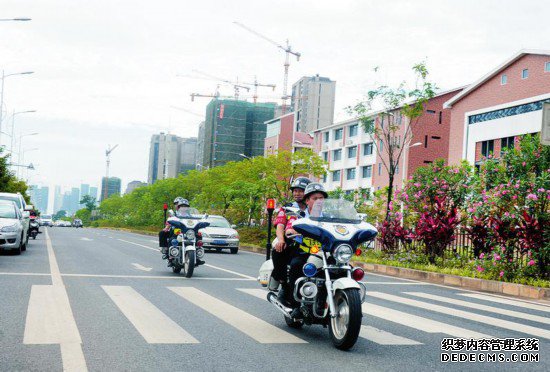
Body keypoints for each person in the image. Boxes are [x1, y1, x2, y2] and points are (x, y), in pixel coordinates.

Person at [284, 182, 328, 313]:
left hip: (325, 253)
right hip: (304, 252)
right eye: (315, 198)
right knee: (296, 266)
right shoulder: (300, 215)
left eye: (321, 198)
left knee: (345, 269)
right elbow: (289, 228)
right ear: (307, 200)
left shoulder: (330, 217)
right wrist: (292, 231)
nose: (318, 201)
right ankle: (295, 304)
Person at [271, 177, 311, 305]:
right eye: (295, 190)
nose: (296, 193)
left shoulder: (316, 209)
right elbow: (280, 225)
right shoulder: (288, 208)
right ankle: (284, 286)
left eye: (300, 191)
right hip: (293, 242)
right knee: (279, 252)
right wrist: (281, 240)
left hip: (313, 244)